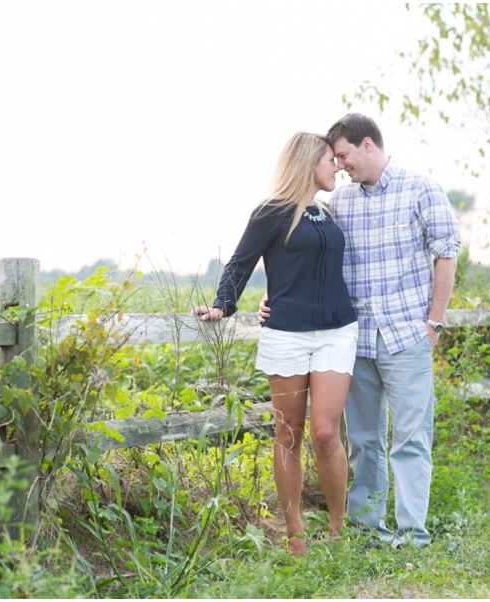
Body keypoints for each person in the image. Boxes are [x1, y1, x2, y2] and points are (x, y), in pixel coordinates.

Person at [259, 113, 460, 548]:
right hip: (354, 339)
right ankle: (369, 530)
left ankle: (412, 534)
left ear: (367, 145)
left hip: (407, 335)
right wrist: (278, 296)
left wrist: (434, 322)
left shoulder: (419, 188)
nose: (341, 165)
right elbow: (313, 259)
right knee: (364, 441)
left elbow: (447, 252)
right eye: (335, 159)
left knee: (410, 439)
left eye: (344, 156)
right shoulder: (338, 204)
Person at [193, 132, 359, 554]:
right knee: (288, 435)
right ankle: (295, 536)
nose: (336, 166)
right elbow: (240, 263)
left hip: (336, 332)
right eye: (329, 159)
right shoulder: (271, 212)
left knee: (325, 432)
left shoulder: (325, 212)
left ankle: (339, 533)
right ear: (307, 163)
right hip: (286, 335)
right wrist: (221, 306)